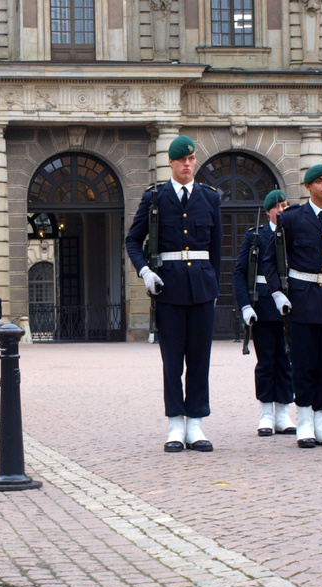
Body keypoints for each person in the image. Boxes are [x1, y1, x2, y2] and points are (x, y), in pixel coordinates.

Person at [125, 134, 222, 453]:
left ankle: (196, 423)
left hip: (202, 288)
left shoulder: (210, 197)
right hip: (168, 287)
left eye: (192, 159)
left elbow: (216, 249)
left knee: (199, 359)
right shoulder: (155, 198)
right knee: (172, 361)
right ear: (171, 162)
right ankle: (175, 423)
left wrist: (214, 287)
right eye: (182, 160)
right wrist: (145, 272)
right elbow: (132, 241)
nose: (187, 164)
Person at [260, 163, 322, 449]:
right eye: (320, 181)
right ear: (308, 187)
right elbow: (269, 259)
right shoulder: (291, 219)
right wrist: (277, 292)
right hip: (302, 298)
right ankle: (304, 421)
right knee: (303, 362)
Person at [233, 189, 296, 438]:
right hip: (263, 305)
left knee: (286, 361)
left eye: (285, 206)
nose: (282, 211)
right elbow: (239, 272)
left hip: (290, 304)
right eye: (278, 206)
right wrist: (246, 305)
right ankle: (266, 413)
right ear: (269, 210)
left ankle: (283, 412)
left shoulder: (294, 233)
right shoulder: (255, 237)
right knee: (267, 361)